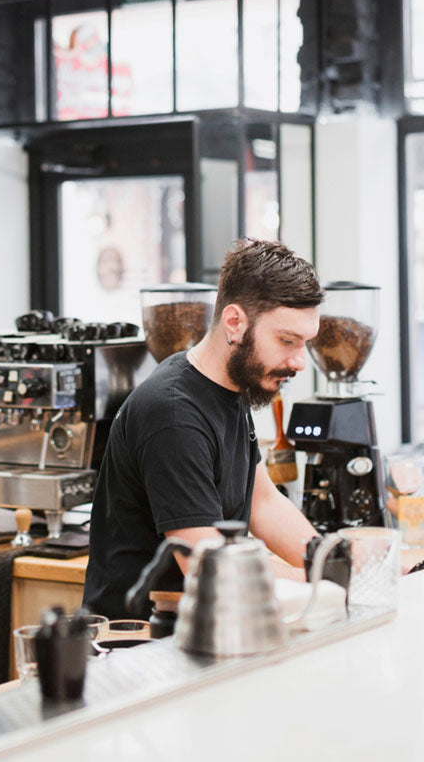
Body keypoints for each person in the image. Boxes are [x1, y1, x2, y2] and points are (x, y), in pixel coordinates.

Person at [83, 238, 323, 620]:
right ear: (235, 323)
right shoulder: (173, 415)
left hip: (202, 626)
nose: (298, 362)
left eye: (304, 344)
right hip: (142, 644)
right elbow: (211, 570)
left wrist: (328, 558)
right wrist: (319, 580)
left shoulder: (229, 388)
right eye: (286, 341)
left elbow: (263, 502)